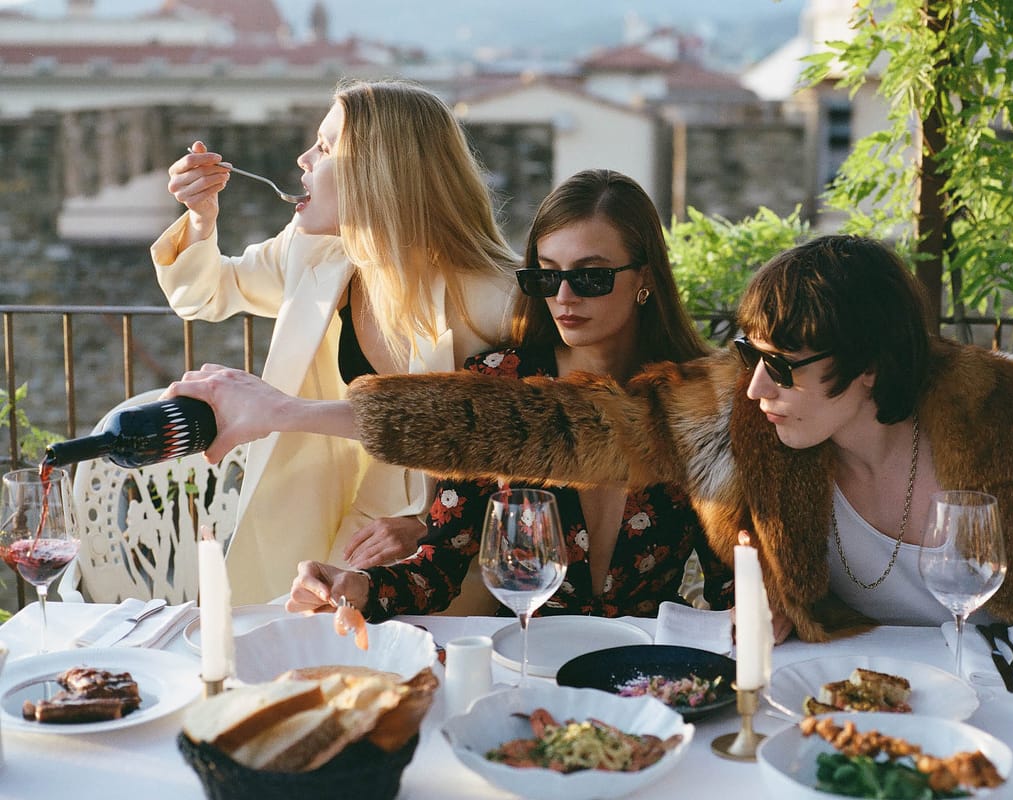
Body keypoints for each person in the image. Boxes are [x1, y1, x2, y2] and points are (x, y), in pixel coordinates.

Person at [167, 235, 1013, 640]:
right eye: (745, 351)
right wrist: (293, 412)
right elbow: (539, 426)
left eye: (783, 366)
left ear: (873, 369)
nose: (752, 387)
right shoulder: (737, 416)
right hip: (836, 719)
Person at [283, 168, 734, 620]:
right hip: (524, 654)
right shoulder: (500, 384)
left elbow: (731, 581)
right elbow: (438, 568)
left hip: (649, 663)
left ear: (645, 278)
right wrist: (354, 587)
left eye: (591, 276)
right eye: (546, 276)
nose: (563, 297)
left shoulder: (702, 400)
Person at [153, 78, 519, 604]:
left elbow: (520, 455)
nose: (303, 159)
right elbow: (209, 293)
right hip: (329, 515)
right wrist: (200, 218)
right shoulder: (315, 252)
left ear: (379, 171)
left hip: (444, 560)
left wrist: (426, 527)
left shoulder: (495, 301)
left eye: (324, 147)